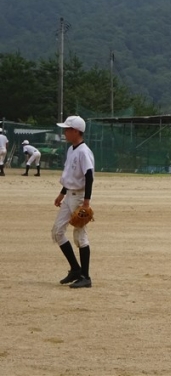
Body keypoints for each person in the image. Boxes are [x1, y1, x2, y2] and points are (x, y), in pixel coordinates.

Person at [52, 116, 95, 289]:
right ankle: (76, 270)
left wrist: (86, 203)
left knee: (80, 236)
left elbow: (89, 176)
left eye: (67, 129)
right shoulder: (71, 150)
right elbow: (70, 175)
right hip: (69, 194)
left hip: (79, 197)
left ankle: (86, 277)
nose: (64, 132)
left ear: (76, 131)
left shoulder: (84, 152)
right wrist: (61, 194)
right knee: (57, 232)